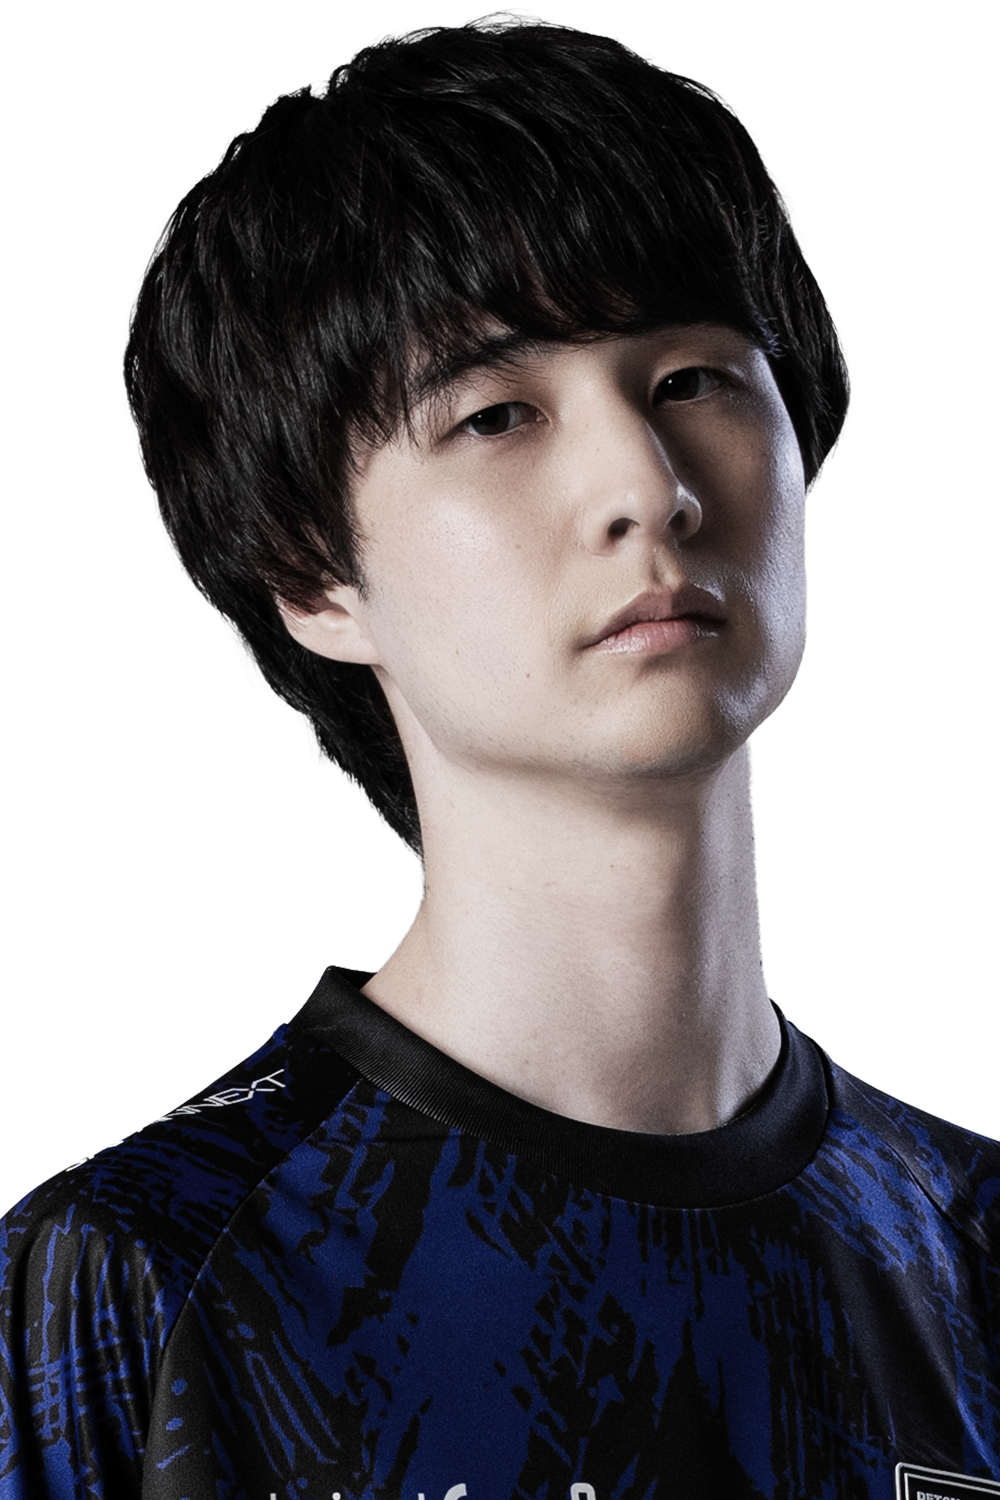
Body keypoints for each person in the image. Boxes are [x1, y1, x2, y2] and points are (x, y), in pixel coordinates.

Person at [1, 12, 998, 1499]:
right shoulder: (136, 1283)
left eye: (694, 379)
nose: (644, 486)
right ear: (312, 578)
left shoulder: (972, 1248)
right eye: (496, 414)